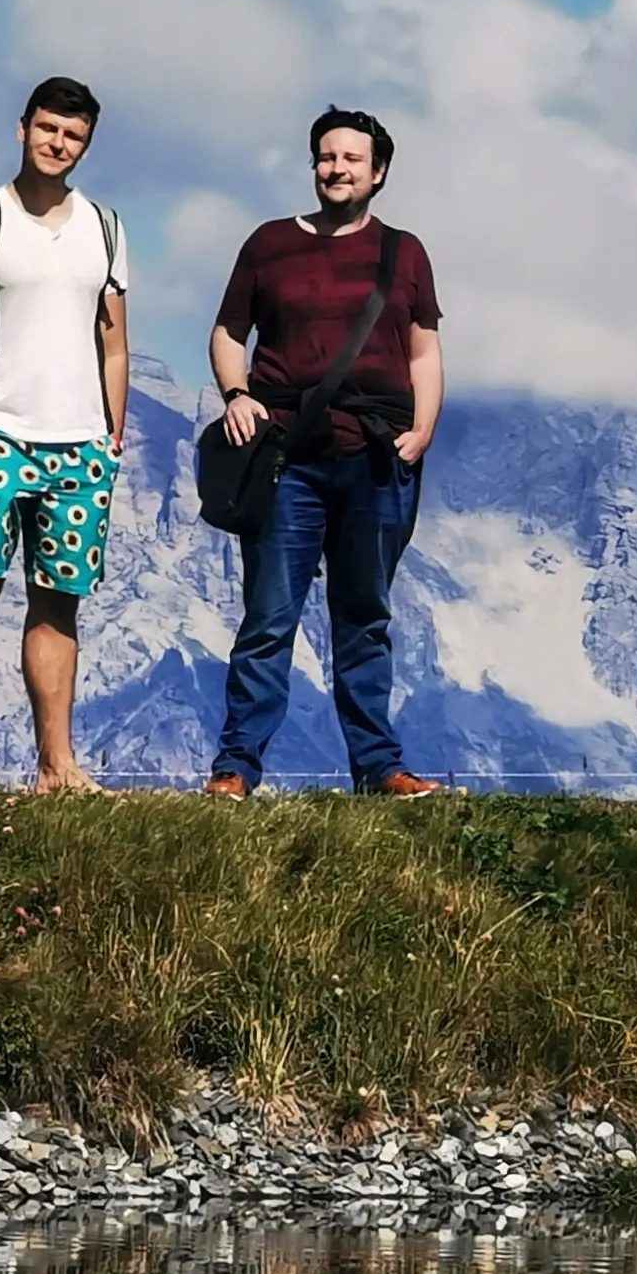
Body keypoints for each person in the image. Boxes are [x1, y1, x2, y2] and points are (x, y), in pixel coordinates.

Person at [201, 109, 447, 799]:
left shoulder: (404, 253)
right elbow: (227, 332)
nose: (336, 168)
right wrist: (235, 393)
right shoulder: (269, 244)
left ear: (379, 172)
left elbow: (424, 348)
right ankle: (235, 768)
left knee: (364, 614)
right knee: (269, 615)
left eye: (350, 158)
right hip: (287, 460)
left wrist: (422, 428)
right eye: (325, 157)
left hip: (378, 456)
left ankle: (379, 767)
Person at [0, 78, 130, 796]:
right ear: (21, 128)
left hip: (78, 443)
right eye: (46, 128)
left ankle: (56, 766)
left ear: (86, 144)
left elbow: (114, 343)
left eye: (71, 135)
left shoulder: (104, 226)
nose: (56, 143)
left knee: (58, 599)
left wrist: (111, 436)